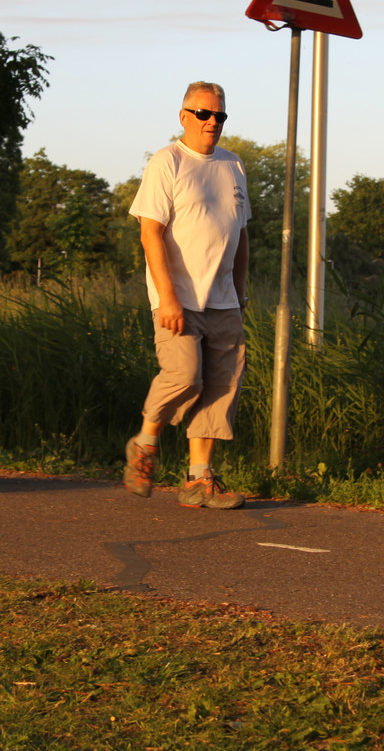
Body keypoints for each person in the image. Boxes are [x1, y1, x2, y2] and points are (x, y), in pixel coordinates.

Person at [122, 81, 251, 509]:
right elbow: (150, 233)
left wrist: (240, 293)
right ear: (184, 117)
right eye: (203, 114)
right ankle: (145, 443)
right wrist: (168, 297)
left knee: (220, 387)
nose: (212, 121)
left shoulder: (233, 165)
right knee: (184, 376)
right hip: (178, 297)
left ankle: (199, 480)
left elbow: (241, 235)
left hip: (224, 299)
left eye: (219, 115)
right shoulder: (168, 161)